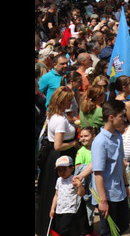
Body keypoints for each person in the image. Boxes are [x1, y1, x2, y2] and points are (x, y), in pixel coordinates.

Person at [37, 86, 79, 235]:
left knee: (53, 192)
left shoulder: (53, 116)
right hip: (61, 156)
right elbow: (58, 145)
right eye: (68, 100)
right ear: (61, 101)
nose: (71, 103)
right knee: (61, 192)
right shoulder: (60, 120)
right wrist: (74, 143)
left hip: (55, 158)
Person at [91, 99, 130, 236]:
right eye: (122, 116)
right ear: (111, 117)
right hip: (107, 195)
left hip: (120, 191)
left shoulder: (118, 136)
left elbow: (122, 163)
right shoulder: (100, 141)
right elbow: (97, 174)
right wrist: (102, 201)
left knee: (123, 225)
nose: (124, 119)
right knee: (108, 231)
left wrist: (126, 185)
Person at [49, 155, 85, 236]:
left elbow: (81, 194)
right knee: (60, 230)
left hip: (70, 211)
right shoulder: (59, 180)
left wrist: (79, 185)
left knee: (63, 231)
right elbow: (56, 195)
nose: (61, 172)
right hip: (59, 210)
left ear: (71, 168)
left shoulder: (74, 179)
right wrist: (52, 208)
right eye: (59, 170)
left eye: (64, 169)